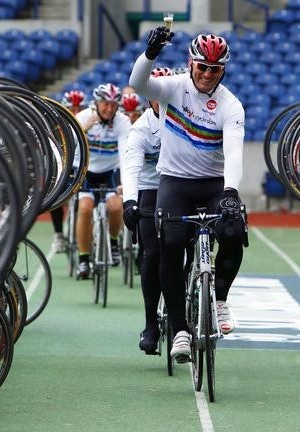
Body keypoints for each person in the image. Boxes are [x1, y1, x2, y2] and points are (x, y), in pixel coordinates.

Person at [129, 29, 247, 363]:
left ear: (223, 70)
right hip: (175, 183)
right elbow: (139, 84)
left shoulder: (230, 104)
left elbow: (234, 152)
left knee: (233, 231)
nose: (208, 74)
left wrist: (230, 193)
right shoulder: (173, 87)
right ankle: (180, 328)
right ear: (190, 63)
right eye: (202, 67)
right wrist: (149, 53)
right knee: (171, 245)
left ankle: (220, 300)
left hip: (212, 185)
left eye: (215, 69)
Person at [121, 67, 174, 354]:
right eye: (155, 96)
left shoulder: (183, 119)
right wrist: (130, 201)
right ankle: (151, 323)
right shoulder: (141, 128)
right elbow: (131, 167)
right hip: (149, 190)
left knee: (183, 249)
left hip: (179, 185)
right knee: (152, 254)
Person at [74, 83, 131, 278]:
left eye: (113, 105)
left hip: (111, 170)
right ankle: (83, 259)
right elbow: (69, 142)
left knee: (116, 207)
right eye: (105, 104)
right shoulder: (83, 117)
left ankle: (113, 241)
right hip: (87, 169)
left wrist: (125, 181)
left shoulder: (123, 122)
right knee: (84, 208)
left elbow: (125, 152)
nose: (109, 109)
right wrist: (83, 129)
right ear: (96, 103)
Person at [50, 89, 88, 252]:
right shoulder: (57, 126)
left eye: (79, 109)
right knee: (54, 192)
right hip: (63, 165)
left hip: (83, 165)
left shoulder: (90, 122)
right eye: (72, 109)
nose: (75, 113)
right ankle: (58, 234)